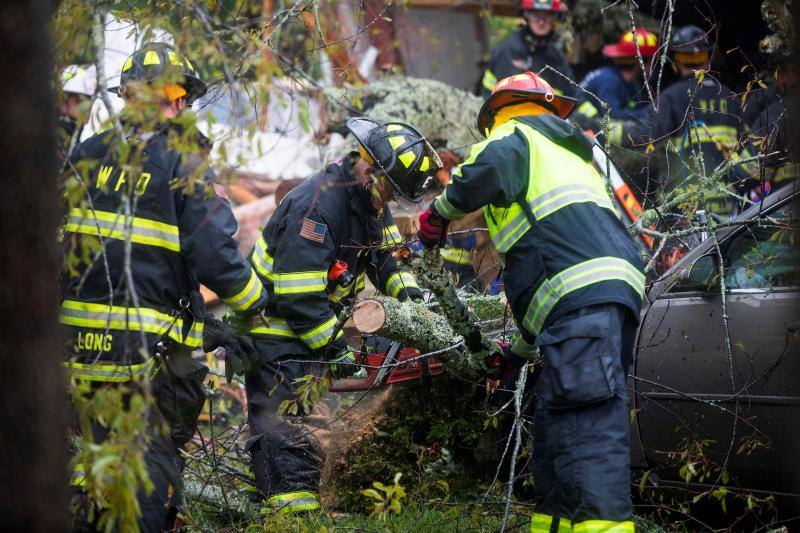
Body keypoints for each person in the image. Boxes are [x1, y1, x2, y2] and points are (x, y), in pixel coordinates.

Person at [417, 71, 645, 532]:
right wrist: (516, 354)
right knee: (557, 417)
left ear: (498, 111)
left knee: (588, 419)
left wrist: (438, 214)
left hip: (581, 295)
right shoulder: (567, 153)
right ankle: (552, 525)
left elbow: (484, 171)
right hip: (597, 295)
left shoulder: (514, 135)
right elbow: (550, 267)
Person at [61, 42, 267, 531]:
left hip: (77, 353)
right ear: (179, 101)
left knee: (86, 464)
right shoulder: (182, 164)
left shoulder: (85, 155)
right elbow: (215, 257)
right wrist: (257, 306)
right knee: (146, 468)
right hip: (148, 358)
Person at [244, 117, 441, 514]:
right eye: (390, 190)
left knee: (313, 424)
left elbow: (387, 260)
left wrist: (415, 305)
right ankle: (289, 516)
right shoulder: (318, 205)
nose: (389, 202)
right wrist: (335, 348)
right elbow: (296, 295)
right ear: (371, 171)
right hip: (276, 332)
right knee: (287, 428)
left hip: (309, 331)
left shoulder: (369, 203)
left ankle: (300, 506)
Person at [609, 25, 744, 218]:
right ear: (707, 60)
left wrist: (602, 128)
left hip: (685, 208)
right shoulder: (732, 99)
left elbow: (642, 135)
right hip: (728, 206)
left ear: (677, 61)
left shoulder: (673, 97)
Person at [481, 0, 575, 98]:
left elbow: (572, 95)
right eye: (536, 15)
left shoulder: (557, 57)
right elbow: (499, 96)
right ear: (526, 16)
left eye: (547, 15)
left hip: (549, 112)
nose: (541, 22)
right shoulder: (509, 51)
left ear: (555, 17)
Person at [575, 28, 659, 122]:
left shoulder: (629, 81)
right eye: (653, 60)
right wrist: (651, 112)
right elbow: (614, 116)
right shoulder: (609, 81)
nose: (654, 65)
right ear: (641, 62)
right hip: (579, 126)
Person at [58, 64, 97, 161]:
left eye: (90, 101)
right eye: (80, 101)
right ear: (62, 101)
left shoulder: (76, 145)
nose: (87, 108)